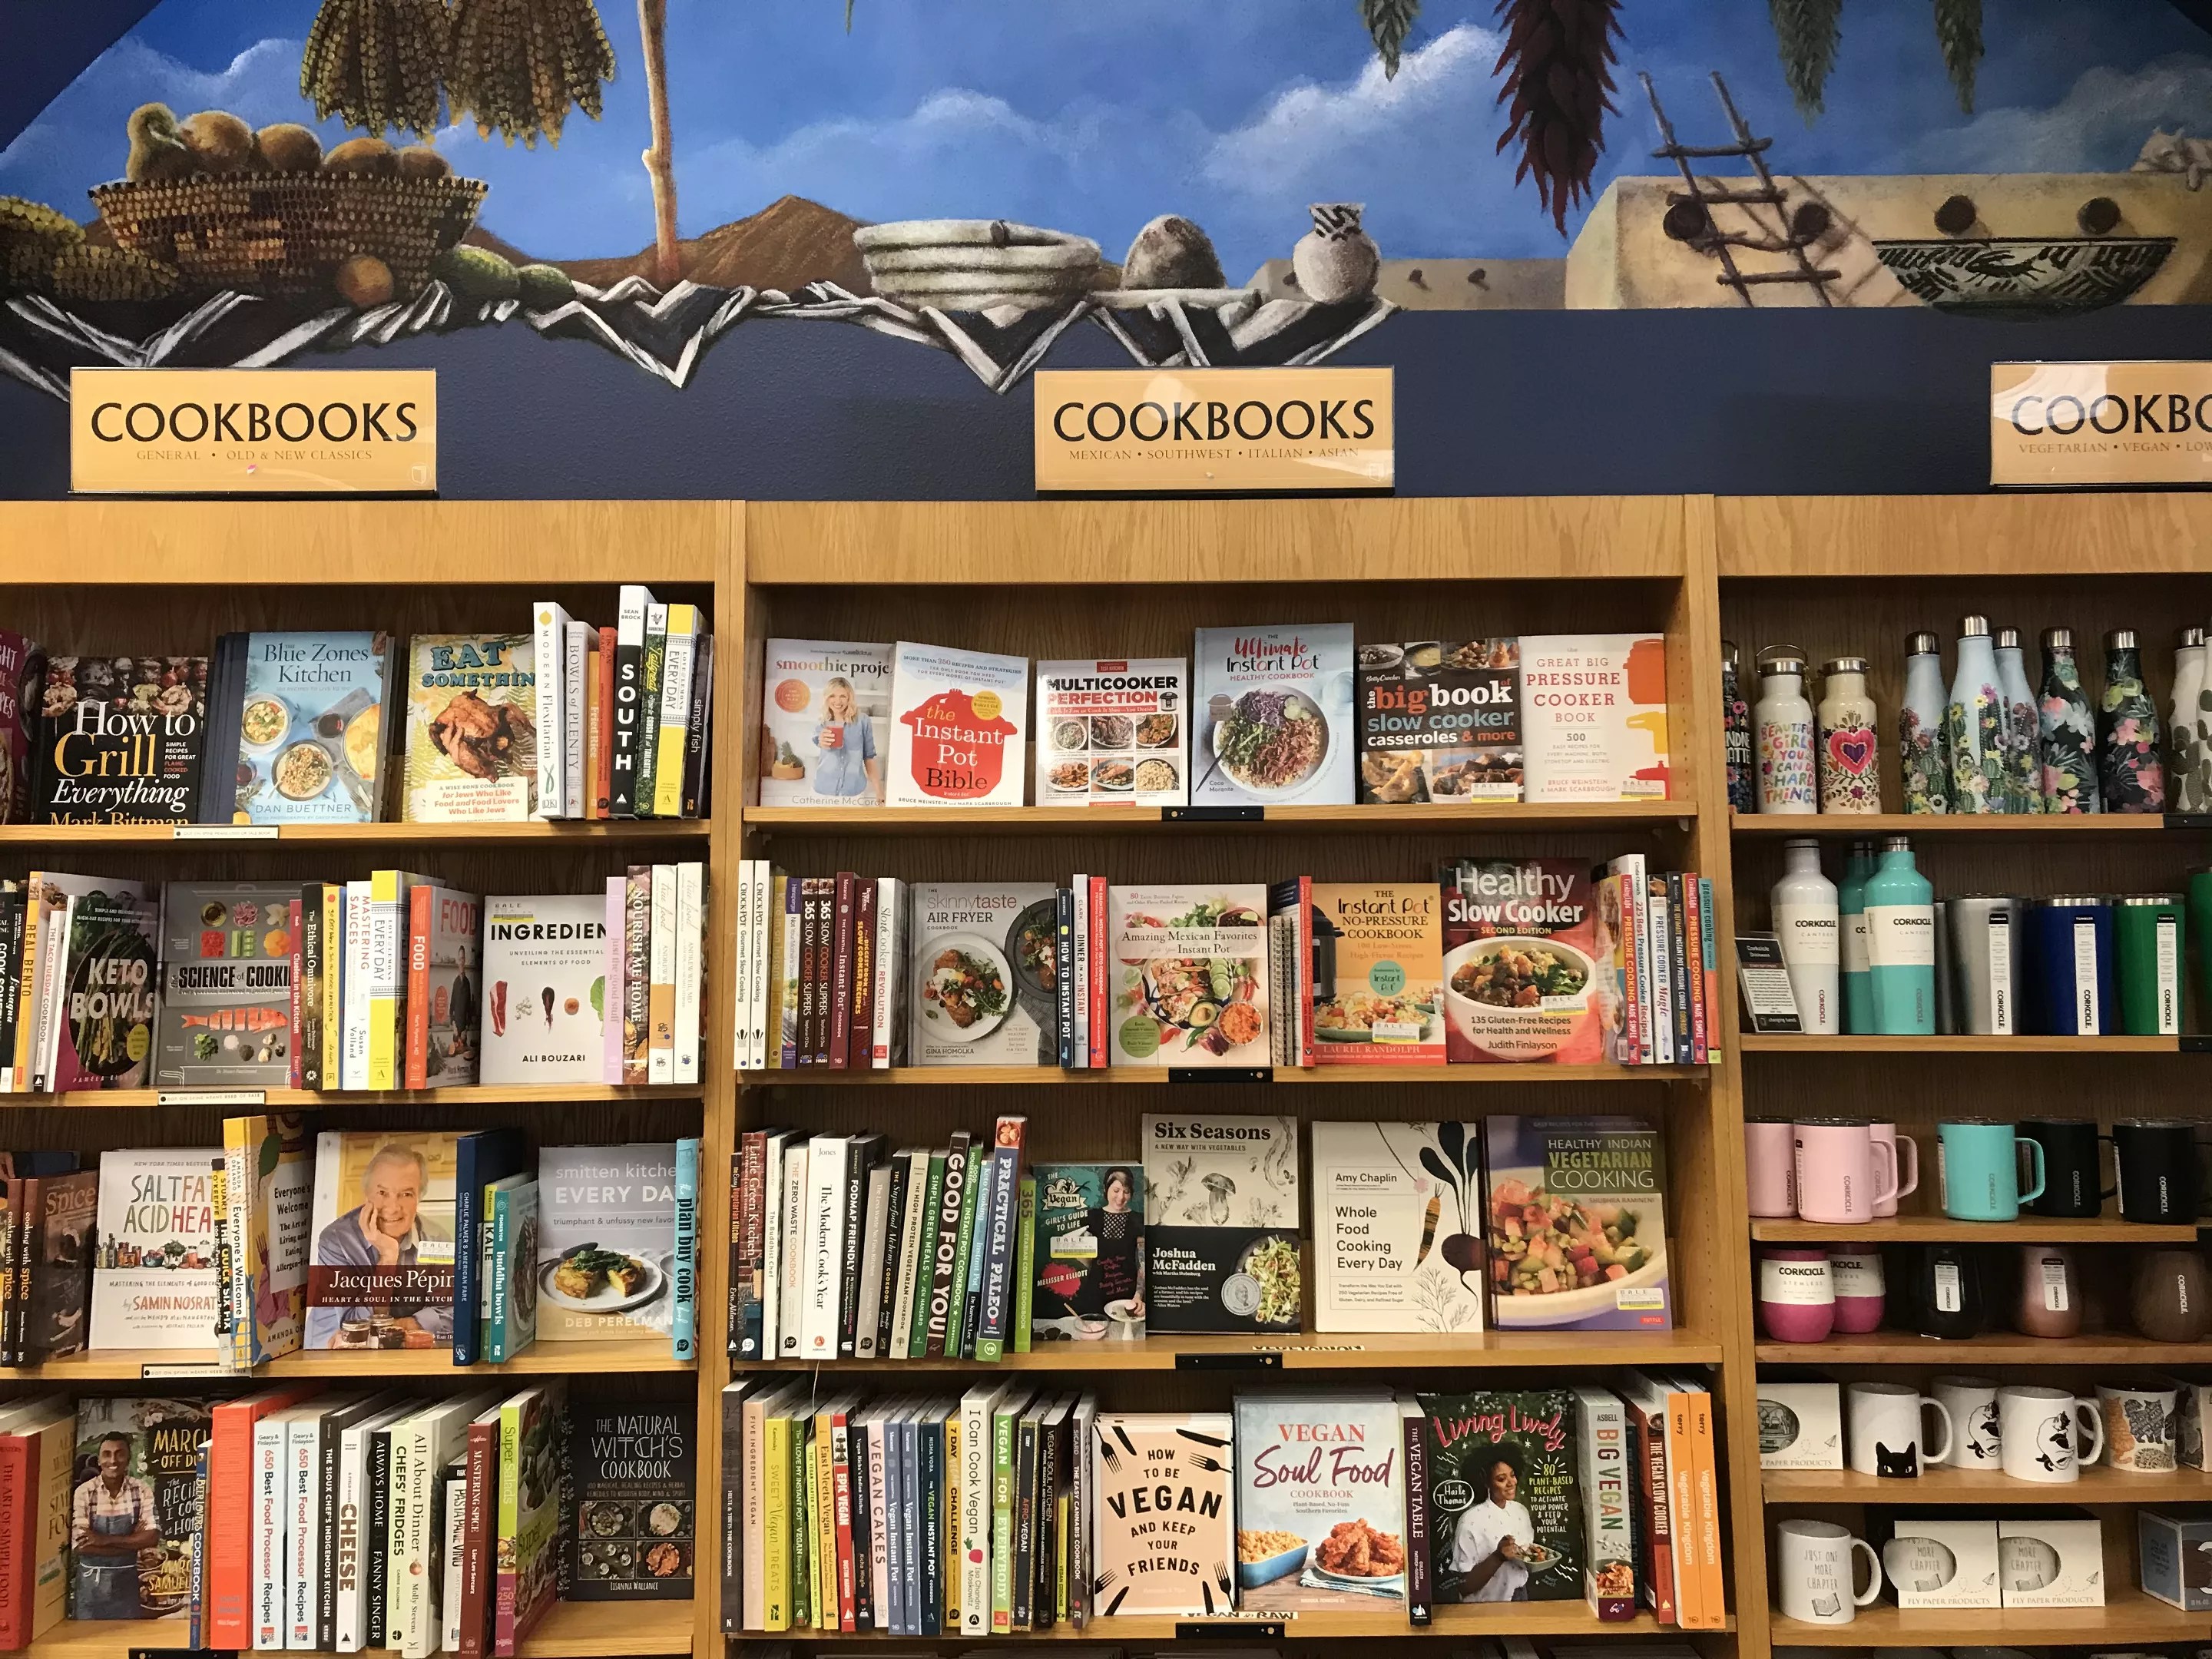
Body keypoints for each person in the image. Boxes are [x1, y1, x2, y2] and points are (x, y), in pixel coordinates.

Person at [304, 1144, 452, 1349]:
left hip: (399, 1350)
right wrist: (388, 1257)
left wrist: (401, 1326)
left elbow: (452, 1312)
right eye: (383, 1193)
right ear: (367, 1194)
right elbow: (354, 1328)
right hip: (327, 1353)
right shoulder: (336, 1240)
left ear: (419, 1197)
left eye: (406, 1194)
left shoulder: (438, 1239)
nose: (393, 1208)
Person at [71, 1430, 157, 1620]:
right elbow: (82, 1547)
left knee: (128, 1635)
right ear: (99, 1460)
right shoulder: (84, 1492)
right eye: (107, 1454)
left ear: (128, 1458)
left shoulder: (141, 1490)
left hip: (126, 1587)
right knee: (86, 1636)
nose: (113, 1460)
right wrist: (133, 1542)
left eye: (120, 1454)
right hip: (90, 1588)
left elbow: (152, 1538)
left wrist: (103, 1540)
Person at [1448, 1449, 1536, 1601]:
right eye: (1502, 1479)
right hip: (1487, 1603)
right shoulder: (1470, 1521)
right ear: (1485, 1481)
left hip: (1521, 1597)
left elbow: (1528, 1556)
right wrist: (1497, 1557)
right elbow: (1463, 1586)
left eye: (1513, 1475)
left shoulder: (1521, 1511)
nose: (1511, 1483)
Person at [812, 676, 879, 800]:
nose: (838, 701)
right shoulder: (821, 721)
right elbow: (819, 740)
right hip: (823, 789)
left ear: (849, 698)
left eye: (842, 696)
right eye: (832, 696)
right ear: (827, 698)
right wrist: (822, 741)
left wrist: (879, 792)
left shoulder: (863, 721)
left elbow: (869, 758)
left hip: (854, 791)